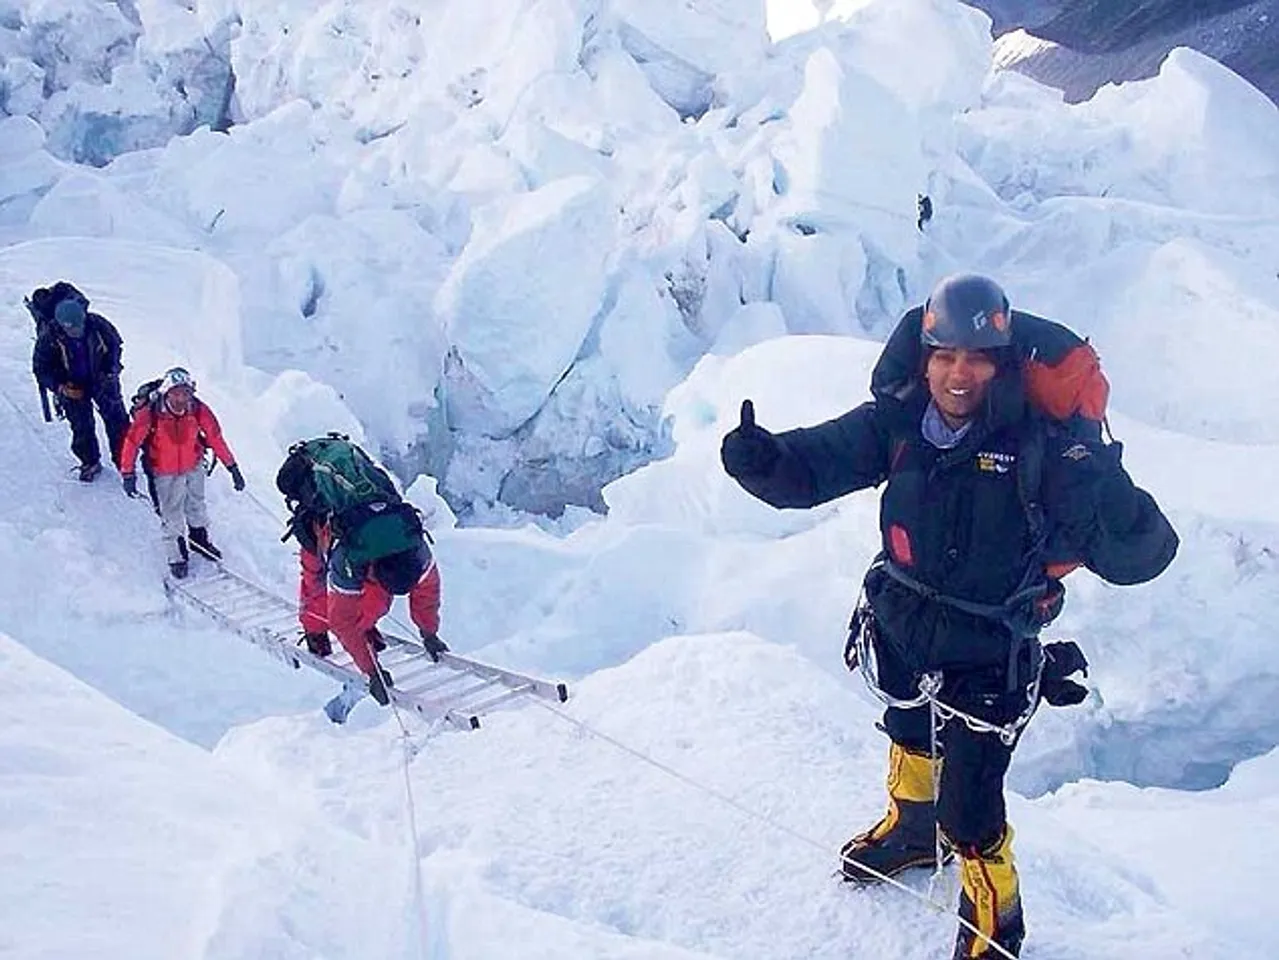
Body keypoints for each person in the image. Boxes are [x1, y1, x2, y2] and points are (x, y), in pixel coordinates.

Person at [720, 274, 1177, 959]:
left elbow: (1143, 554)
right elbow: (813, 467)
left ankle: (996, 922)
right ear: (923, 358)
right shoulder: (897, 424)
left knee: (971, 803)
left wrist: (1099, 480)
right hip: (900, 615)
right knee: (906, 725)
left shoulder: (1042, 448)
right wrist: (763, 462)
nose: (957, 373)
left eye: (976, 358)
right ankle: (912, 829)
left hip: (991, 644)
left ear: (1000, 366)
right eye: (944, 356)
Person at [277, 435, 446, 706]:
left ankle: (365, 628)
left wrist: (429, 632)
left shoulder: (415, 549)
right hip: (320, 526)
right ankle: (314, 631)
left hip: (362, 528)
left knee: (371, 602)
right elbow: (341, 620)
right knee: (316, 584)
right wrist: (371, 670)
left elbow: (428, 591)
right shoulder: (349, 558)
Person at [118, 367, 246, 578]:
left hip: (193, 465)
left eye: (185, 393)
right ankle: (176, 556)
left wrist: (232, 467)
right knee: (171, 512)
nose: (181, 399)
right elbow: (132, 442)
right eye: (176, 393)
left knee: (196, 504)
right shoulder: (150, 413)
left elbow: (215, 437)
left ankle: (199, 542)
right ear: (166, 393)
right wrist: (127, 473)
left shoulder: (198, 409)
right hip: (163, 471)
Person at [30, 286, 130, 482]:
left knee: (117, 420)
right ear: (61, 324)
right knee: (81, 425)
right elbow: (41, 368)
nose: (74, 331)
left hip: (102, 379)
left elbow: (115, 346)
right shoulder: (49, 337)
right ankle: (89, 461)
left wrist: (111, 370)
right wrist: (61, 388)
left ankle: (124, 459)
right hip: (71, 386)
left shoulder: (98, 324)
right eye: (70, 328)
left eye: (77, 326)